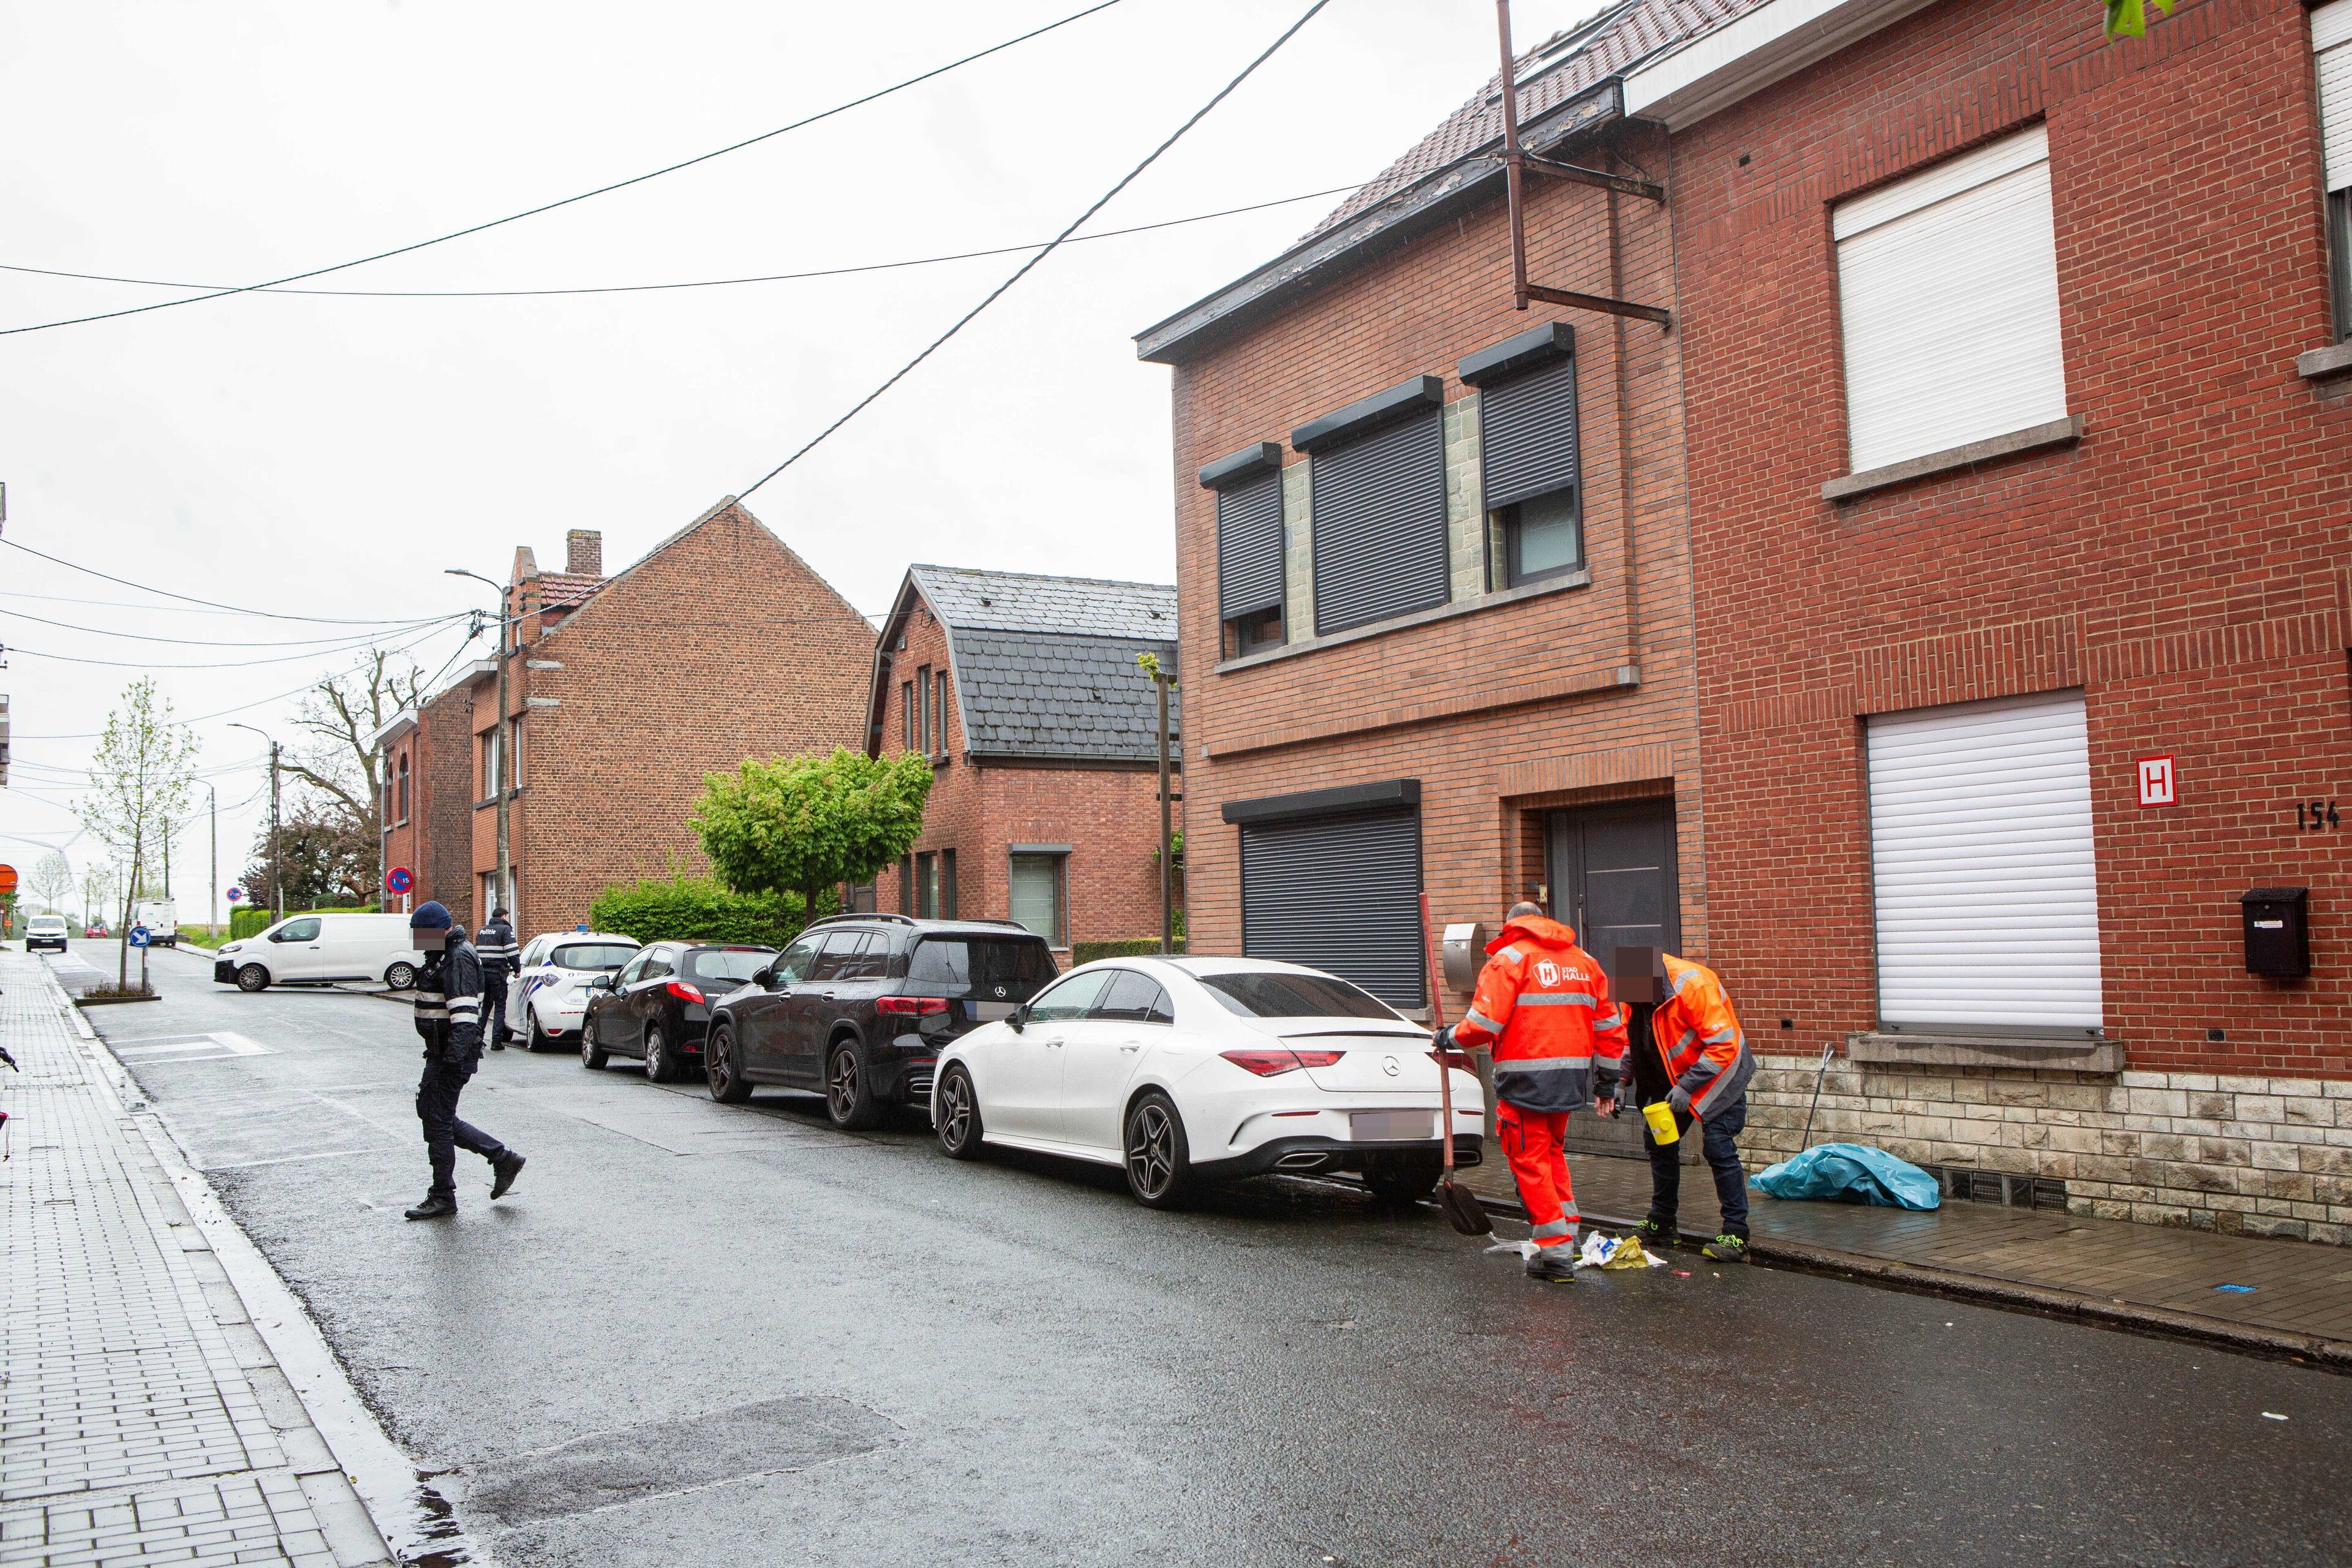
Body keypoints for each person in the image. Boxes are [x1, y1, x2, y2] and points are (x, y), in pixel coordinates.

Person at [1442, 902, 1626, 1283]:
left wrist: (1447, 1037)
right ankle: (1568, 1237)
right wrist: (1607, 1083)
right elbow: (1611, 1028)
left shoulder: (1509, 960)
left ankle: (1556, 1252)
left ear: (1511, 926)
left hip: (1524, 1083)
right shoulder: (1585, 963)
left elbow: (1483, 1024)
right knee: (1552, 1156)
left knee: (1530, 1161)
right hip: (1569, 1082)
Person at [1613, 946, 1755, 1263]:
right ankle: (1662, 1222)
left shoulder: (1694, 986)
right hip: (1674, 1078)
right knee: (1659, 1142)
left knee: (1718, 1147)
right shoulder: (1634, 988)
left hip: (1721, 1076)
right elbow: (1631, 1038)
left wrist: (1687, 1086)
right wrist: (1622, 1080)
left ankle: (1736, 1234)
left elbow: (1723, 1046)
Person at [404, 902, 524, 1221]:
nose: (418, 940)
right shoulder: (444, 953)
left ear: (438, 930)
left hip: (451, 1055)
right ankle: (502, 1158)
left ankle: (443, 1195)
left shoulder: (457, 957)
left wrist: (452, 1060)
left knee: (437, 1120)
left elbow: (466, 1018)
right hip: (443, 1052)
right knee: (434, 1115)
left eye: (421, 933)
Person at [476, 905, 519, 1050]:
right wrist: (517, 970)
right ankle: (496, 1041)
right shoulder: (505, 930)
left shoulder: (482, 931)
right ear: (503, 917)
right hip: (498, 974)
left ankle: (478, 1039)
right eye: (506, 917)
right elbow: (512, 953)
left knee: (486, 1006)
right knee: (500, 1007)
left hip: (483, 975)